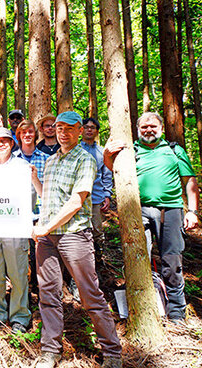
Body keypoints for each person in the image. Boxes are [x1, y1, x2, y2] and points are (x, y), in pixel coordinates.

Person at [33, 111, 122, 368]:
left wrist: (46, 226)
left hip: (74, 236)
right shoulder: (51, 161)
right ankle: (50, 351)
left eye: (69, 128)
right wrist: (34, 180)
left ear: (79, 131)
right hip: (48, 237)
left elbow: (76, 201)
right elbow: (47, 197)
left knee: (90, 294)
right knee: (48, 294)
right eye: (59, 128)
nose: (62, 132)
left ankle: (112, 353)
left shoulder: (85, 159)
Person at [104, 112, 199, 324]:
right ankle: (140, 309)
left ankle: (176, 313)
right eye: (144, 127)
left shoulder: (174, 150)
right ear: (138, 130)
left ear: (161, 128)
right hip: (139, 210)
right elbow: (116, 170)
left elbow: (190, 182)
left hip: (171, 210)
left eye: (153, 126)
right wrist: (107, 156)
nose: (148, 130)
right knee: (138, 258)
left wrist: (192, 211)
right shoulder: (132, 150)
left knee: (172, 260)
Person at [0, 127, 41, 335]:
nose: (1, 144)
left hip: (15, 228)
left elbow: (32, 196)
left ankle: (20, 316)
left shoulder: (22, 166)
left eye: (5, 140)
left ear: (12, 143)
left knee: (18, 274)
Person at [13, 119, 49, 292]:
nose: (27, 135)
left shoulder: (45, 159)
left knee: (39, 252)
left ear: (35, 135)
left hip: (39, 212)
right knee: (21, 253)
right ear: (19, 136)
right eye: (23, 133)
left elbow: (47, 189)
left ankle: (40, 287)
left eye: (30, 132)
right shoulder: (12, 160)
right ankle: (23, 288)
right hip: (18, 213)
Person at [81, 117, 113, 251]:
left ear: (97, 131)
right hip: (78, 198)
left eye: (92, 127)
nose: (89, 130)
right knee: (80, 230)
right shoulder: (74, 150)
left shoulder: (102, 152)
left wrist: (107, 195)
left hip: (96, 197)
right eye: (86, 127)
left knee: (97, 230)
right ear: (81, 130)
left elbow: (107, 174)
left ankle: (98, 260)